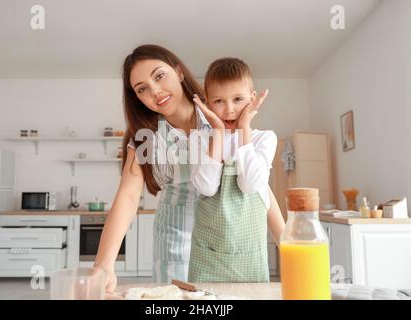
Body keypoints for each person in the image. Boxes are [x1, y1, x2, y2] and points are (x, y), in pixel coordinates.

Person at [94, 44, 285, 292]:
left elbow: (258, 185)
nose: (155, 91)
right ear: (137, 97)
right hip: (175, 241)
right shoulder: (146, 136)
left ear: (179, 72)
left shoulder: (221, 111)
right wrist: (104, 264)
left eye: (159, 76)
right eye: (142, 89)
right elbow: (128, 196)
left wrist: (287, 243)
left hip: (228, 236)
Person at [188, 57, 279, 282]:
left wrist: (243, 129)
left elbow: (250, 185)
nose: (229, 110)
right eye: (219, 101)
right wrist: (218, 133)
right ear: (207, 103)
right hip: (207, 257)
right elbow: (207, 188)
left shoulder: (264, 139)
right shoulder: (199, 139)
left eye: (238, 99)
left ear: (252, 98)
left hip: (250, 257)